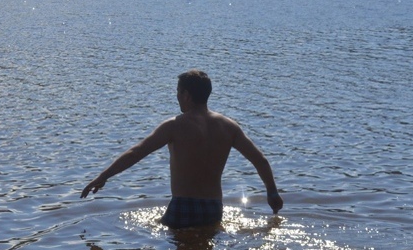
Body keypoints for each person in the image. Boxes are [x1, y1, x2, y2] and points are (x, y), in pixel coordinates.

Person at [80, 69, 283, 228]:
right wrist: (272, 193)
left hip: (183, 205)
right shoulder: (229, 127)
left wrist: (103, 176)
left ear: (186, 95)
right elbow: (260, 160)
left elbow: (137, 152)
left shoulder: (174, 126)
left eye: (178, 92)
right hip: (214, 208)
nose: (176, 97)